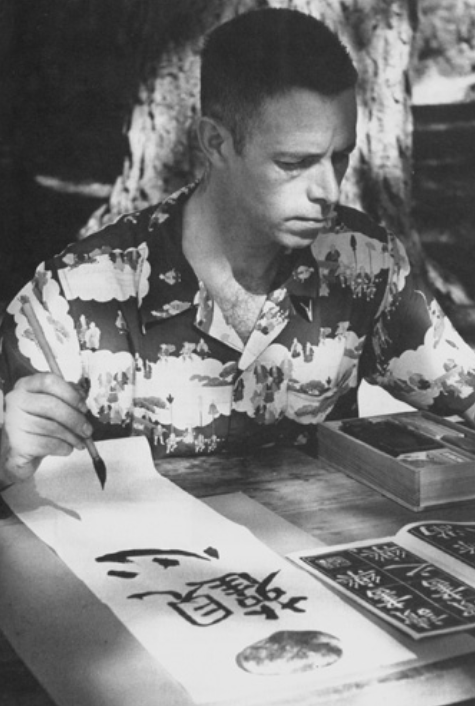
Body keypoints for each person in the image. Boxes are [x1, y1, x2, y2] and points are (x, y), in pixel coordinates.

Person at [2, 7, 475, 489]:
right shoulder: (80, 293)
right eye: (295, 162)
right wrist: (10, 453)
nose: (328, 190)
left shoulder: (362, 263)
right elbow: (11, 450)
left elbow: (465, 390)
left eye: (341, 157)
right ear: (216, 143)